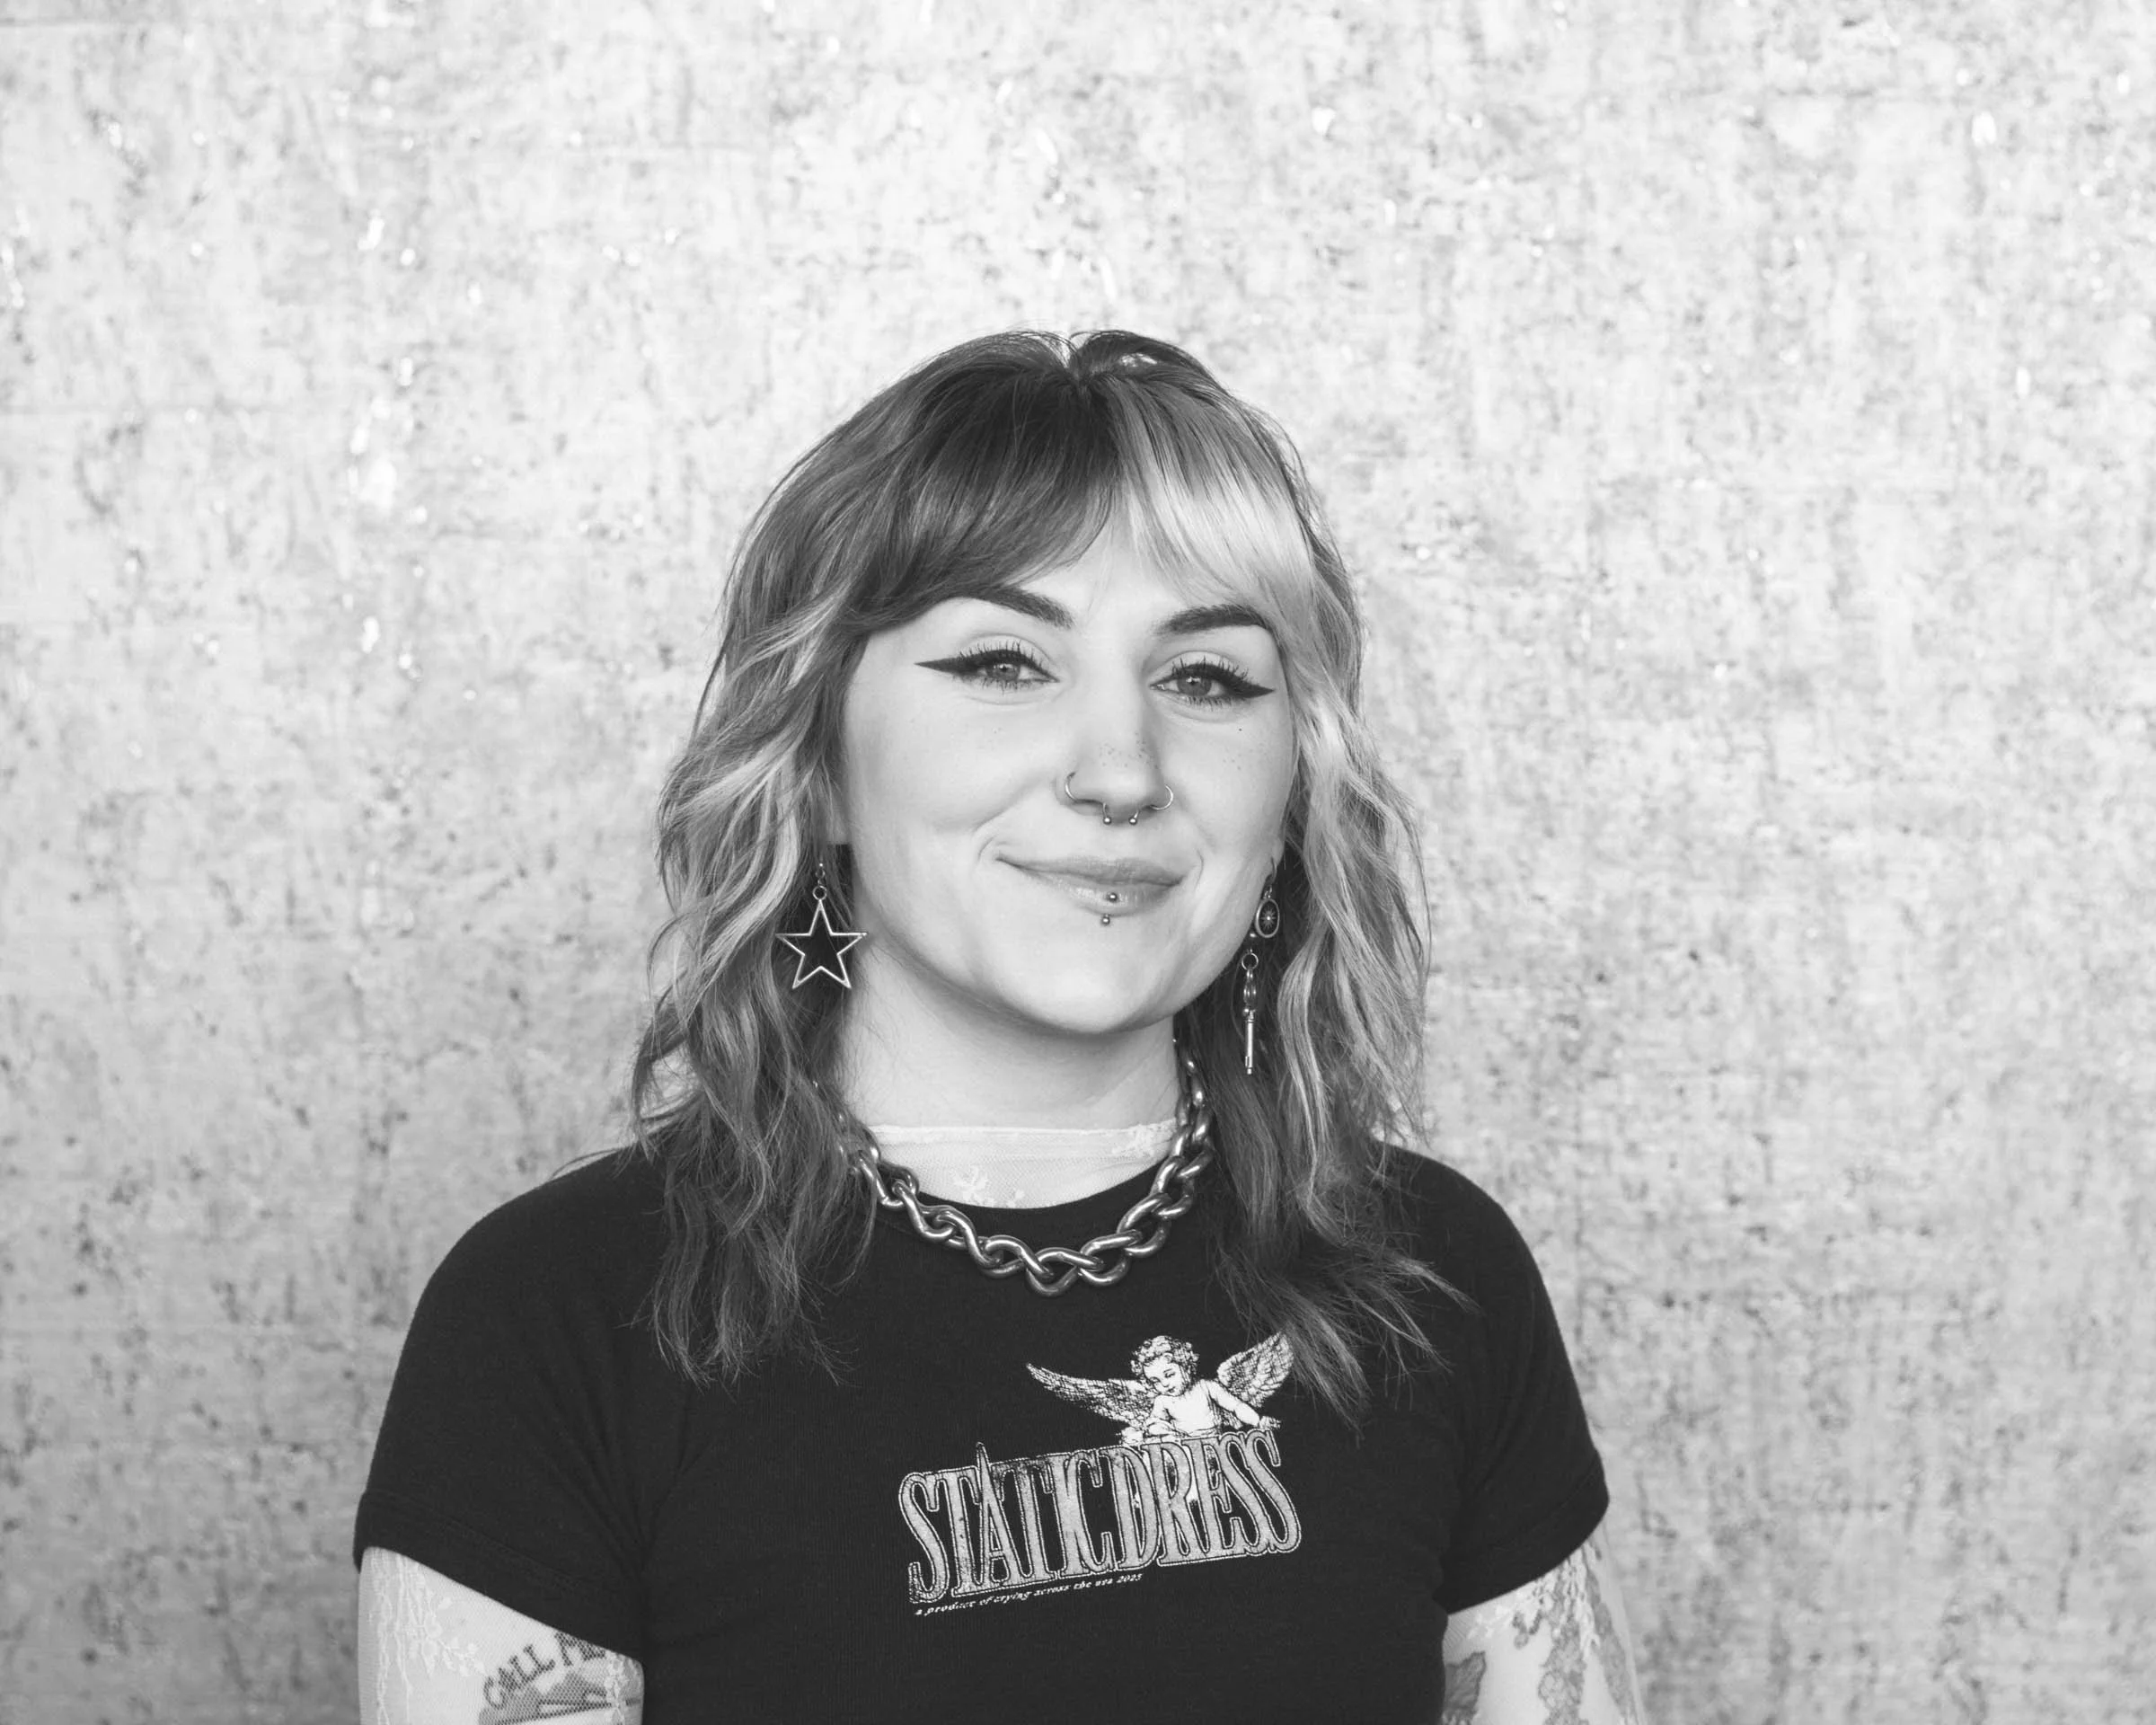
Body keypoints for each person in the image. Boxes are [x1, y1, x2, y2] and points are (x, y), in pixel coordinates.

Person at [352, 330, 1647, 1724]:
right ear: (818, 763)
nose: (1121, 769)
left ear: (1293, 792)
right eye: (1003, 662)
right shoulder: (557, 1320)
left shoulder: (1436, 1279)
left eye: (1207, 677)